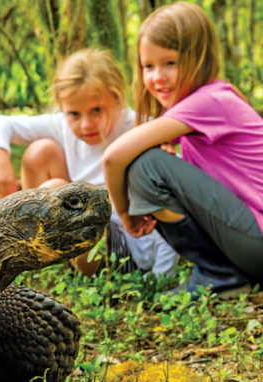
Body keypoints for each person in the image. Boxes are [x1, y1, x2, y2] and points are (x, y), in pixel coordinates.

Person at [102, 2, 263, 299]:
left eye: (170, 63)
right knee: (152, 160)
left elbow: (113, 156)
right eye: (148, 66)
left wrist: (124, 213)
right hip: (250, 241)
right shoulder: (209, 102)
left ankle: (219, 275)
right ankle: (224, 273)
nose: (157, 77)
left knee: (146, 164)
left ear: (198, 59)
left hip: (256, 241)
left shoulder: (209, 101)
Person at [0, 48, 178, 278]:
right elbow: (1, 123)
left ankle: (82, 270)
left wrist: (162, 276)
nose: (86, 125)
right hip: (77, 234)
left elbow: (173, 197)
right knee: (39, 153)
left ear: (117, 98)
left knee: (64, 196)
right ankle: (42, 257)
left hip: (125, 250)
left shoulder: (141, 128)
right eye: (74, 114)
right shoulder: (63, 125)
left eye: (97, 110)